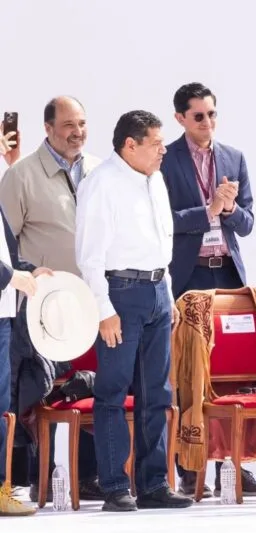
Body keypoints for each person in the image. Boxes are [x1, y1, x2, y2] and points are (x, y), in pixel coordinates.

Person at [75, 110, 193, 512]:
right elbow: (89, 255)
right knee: (113, 390)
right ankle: (114, 486)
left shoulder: (154, 178)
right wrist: (103, 309)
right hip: (120, 293)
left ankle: (154, 483)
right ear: (130, 144)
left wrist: (169, 292)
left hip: (158, 290)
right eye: (156, 143)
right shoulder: (102, 183)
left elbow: (164, 238)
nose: (164, 150)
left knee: (156, 392)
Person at [160, 82, 256, 498]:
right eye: (199, 116)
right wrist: (207, 211)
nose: (207, 122)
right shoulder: (165, 159)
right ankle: (189, 466)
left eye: (212, 114)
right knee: (188, 376)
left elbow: (249, 222)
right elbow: (164, 220)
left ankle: (231, 467)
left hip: (226, 274)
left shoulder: (234, 157)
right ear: (181, 118)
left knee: (228, 377)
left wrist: (229, 208)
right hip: (188, 276)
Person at [0, 96, 104, 502]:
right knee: (39, 388)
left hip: (93, 300)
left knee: (92, 386)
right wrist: (24, 271)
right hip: (43, 307)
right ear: (48, 128)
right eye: (67, 124)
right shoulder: (21, 175)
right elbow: (6, 242)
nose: (76, 132)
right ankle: (34, 479)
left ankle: (90, 476)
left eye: (82, 123)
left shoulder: (98, 171)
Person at [0, 127, 52, 517]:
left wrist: (30, 270)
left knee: (3, 408)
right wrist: (10, 278)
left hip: (3, 314)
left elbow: (7, 251)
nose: (6, 144)